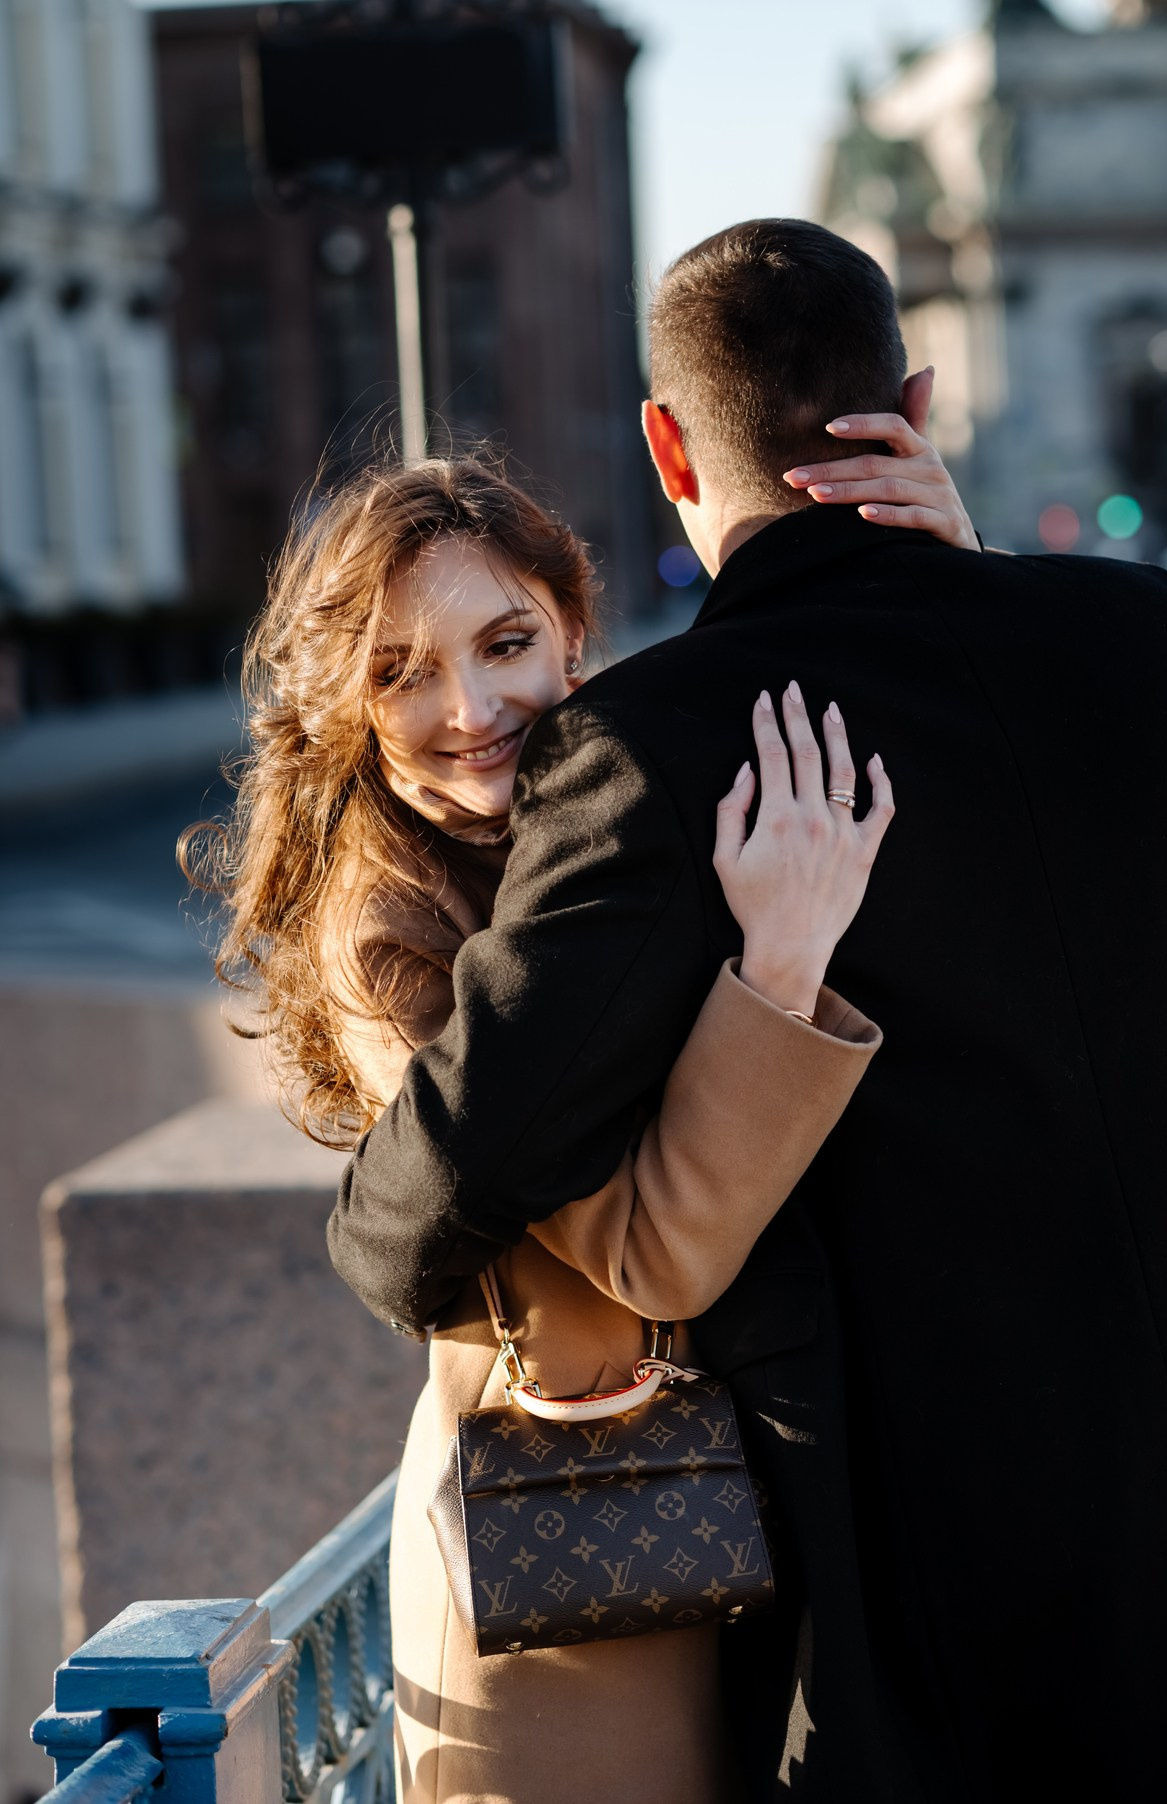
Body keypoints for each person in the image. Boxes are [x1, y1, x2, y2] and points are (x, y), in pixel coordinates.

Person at [329, 218, 1167, 1804]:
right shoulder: (1155, 637)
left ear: (667, 442)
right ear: (916, 407)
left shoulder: (660, 740)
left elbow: (417, 1211)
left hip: (913, 1600)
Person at [195, 434, 973, 1802]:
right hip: (572, 1565)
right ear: (349, 704)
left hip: (723, 1512)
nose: (471, 705)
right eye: (402, 672)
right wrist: (778, 976)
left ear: (571, 627)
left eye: (503, 641)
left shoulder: (612, 816)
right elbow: (649, 1252)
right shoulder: (387, 936)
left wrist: (947, 575)